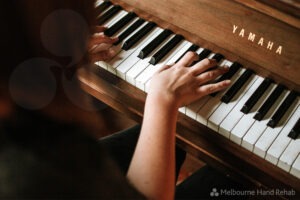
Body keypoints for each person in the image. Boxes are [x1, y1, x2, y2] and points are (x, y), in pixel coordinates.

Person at [0, 0, 246, 199]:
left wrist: (52, 62)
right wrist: (163, 99)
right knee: (233, 176)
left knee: (178, 137)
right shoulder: (25, 175)